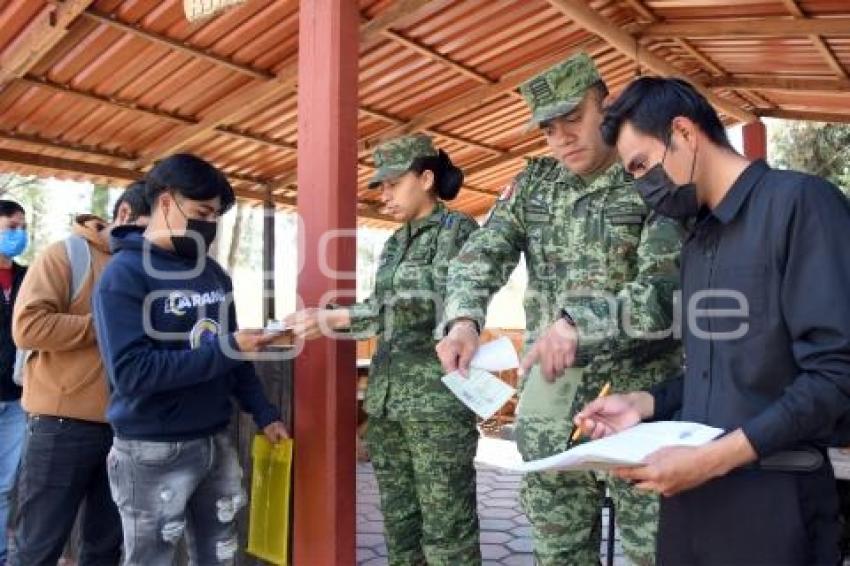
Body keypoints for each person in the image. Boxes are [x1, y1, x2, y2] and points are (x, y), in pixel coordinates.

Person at [574, 76, 850, 564]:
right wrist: (644, 403)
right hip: (690, 505)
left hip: (775, 504)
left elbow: (836, 375)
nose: (643, 188)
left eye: (642, 165)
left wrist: (712, 461)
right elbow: (721, 370)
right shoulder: (697, 241)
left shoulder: (800, 205)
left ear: (683, 132)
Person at [436, 53, 683, 565]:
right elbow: (480, 256)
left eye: (573, 118)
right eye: (548, 128)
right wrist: (464, 320)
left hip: (639, 406)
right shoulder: (533, 186)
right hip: (552, 407)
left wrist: (577, 325)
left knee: (654, 554)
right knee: (558, 554)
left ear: (605, 107)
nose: (561, 137)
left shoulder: (650, 176)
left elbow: (663, 293)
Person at [287, 134, 481, 565]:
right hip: (390, 404)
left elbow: (421, 303)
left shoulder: (458, 230)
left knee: (447, 529)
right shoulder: (396, 242)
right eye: (381, 187)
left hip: (437, 407)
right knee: (400, 524)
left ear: (426, 178)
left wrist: (335, 319)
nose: (385, 195)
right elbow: (385, 310)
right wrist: (329, 316)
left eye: (393, 183)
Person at [92, 154, 288, 565]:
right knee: (152, 557)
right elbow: (132, 372)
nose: (209, 224)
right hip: (151, 449)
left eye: (215, 215)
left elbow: (232, 355)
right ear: (166, 202)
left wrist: (264, 412)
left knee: (220, 552)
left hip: (215, 439)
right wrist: (227, 348)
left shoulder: (213, 275)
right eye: (201, 212)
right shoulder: (124, 274)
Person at [9, 182, 149, 566]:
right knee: (38, 546)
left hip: (126, 429)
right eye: (151, 229)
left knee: (105, 548)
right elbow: (28, 327)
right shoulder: (67, 255)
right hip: (61, 427)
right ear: (124, 216)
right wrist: (106, 324)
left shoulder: (148, 266)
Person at [0, 200, 26, 566]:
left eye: (23, 226)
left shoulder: (29, 276)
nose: (19, 234)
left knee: (5, 486)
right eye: (11, 227)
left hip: (18, 398)